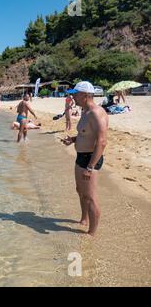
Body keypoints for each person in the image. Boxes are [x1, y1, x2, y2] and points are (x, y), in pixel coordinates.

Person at [61, 81, 108, 236]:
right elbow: (85, 133)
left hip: (90, 159)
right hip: (81, 157)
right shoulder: (84, 111)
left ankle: (91, 234)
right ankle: (84, 219)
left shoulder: (96, 112)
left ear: (85, 95)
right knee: (80, 191)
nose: (72, 96)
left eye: (75, 93)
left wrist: (90, 167)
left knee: (91, 197)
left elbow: (101, 141)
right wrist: (73, 140)